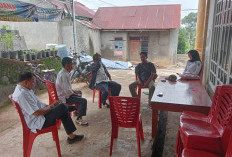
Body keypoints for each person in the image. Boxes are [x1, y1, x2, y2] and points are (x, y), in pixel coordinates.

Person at [12, 71, 83, 144]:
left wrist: (51, 106)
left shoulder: (24, 89)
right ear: (26, 82)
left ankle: (71, 136)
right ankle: (73, 108)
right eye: (33, 82)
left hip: (39, 116)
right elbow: (37, 113)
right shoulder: (22, 94)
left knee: (62, 108)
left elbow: (39, 104)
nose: (34, 85)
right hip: (39, 122)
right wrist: (52, 106)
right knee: (62, 107)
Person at [56, 57, 88, 126]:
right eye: (71, 64)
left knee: (79, 92)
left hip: (64, 93)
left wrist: (74, 92)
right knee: (83, 101)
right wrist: (74, 94)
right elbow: (67, 91)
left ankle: (77, 111)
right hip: (64, 97)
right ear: (67, 65)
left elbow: (67, 88)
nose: (72, 66)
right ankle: (79, 119)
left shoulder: (63, 72)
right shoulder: (64, 75)